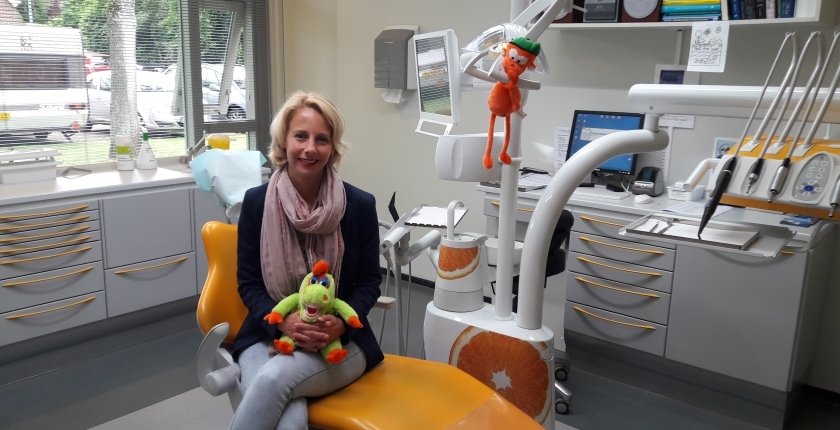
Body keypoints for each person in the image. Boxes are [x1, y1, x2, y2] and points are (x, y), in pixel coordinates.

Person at [229, 91, 384, 430]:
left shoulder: (359, 206)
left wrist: (340, 323)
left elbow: (370, 282)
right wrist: (282, 322)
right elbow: (249, 283)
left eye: (321, 139)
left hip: (341, 342)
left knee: (271, 381)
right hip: (267, 333)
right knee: (291, 422)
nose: (310, 148)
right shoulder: (256, 203)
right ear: (284, 141)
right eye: (300, 136)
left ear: (333, 147)